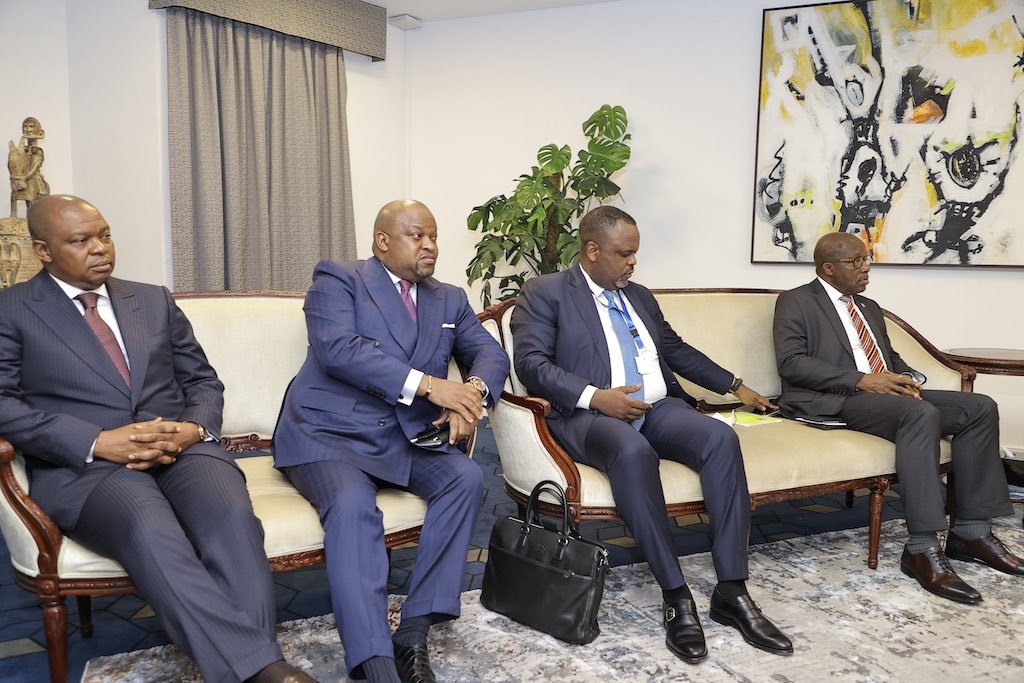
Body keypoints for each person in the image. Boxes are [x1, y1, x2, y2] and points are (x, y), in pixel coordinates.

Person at [0, 195, 313, 683]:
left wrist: (193, 429)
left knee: (231, 517)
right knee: (150, 528)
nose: (100, 248)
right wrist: (96, 441)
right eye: (80, 241)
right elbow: (3, 403)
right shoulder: (12, 309)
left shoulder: (151, 299)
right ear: (43, 250)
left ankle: (251, 668)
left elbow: (203, 381)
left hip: (182, 449)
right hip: (90, 467)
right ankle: (265, 670)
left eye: (104, 235)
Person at [510, 205, 793, 664]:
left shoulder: (638, 296)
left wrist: (734, 384)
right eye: (624, 254)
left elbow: (674, 350)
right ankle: (675, 594)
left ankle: (732, 590)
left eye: (635, 253)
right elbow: (531, 364)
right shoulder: (546, 292)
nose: (633, 262)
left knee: (720, 439)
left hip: (657, 408)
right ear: (592, 250)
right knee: (632, 450)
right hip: (588, 416)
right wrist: (596, 397)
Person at [272, 199, 509, 683]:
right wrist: (432, 386)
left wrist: (470, 396)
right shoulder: (339, 278)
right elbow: (339, 350)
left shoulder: (449, 298)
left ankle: (413, 630)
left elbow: (489, 354)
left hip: (403, 435)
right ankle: (374, 661)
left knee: (464, 478)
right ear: (382, 241)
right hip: (329, 433)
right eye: (417, 236)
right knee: (351, 505)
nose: (430, 246)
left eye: (434, 236)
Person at [773, 232, 1023, 604]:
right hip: (835, 398)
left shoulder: (869, 307)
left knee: (979, 407)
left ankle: (970, 532)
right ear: (828, 268)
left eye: (866, 259)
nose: (866, 268)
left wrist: (907, 379)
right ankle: (921, 548)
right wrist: (861, 380)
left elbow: (889, 358)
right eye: (856, 261)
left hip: (883, 394)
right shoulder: (795, 301)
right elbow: (792, 363)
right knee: (918, 413)